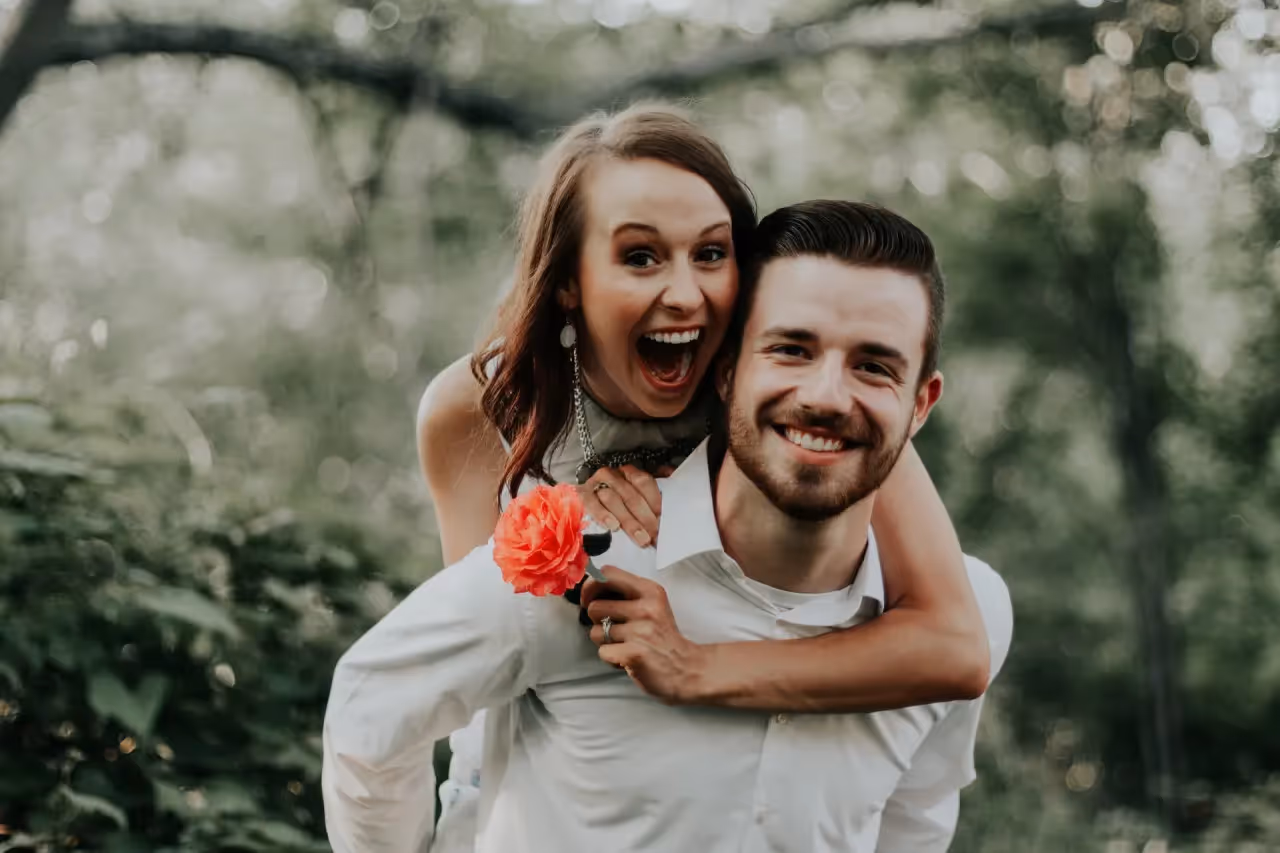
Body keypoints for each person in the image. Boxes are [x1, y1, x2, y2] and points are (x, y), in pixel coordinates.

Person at [324, 200, 1014, 852]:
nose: (826, 396)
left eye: (873, 365)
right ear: (724, 370)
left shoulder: (971, 609)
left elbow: (913, 821)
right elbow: (371, 711)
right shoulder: (581, 563)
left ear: (921, 403)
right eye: (791, 349)